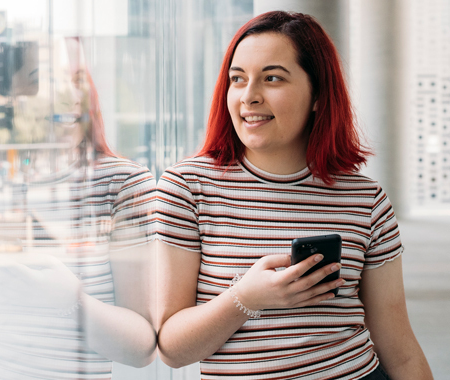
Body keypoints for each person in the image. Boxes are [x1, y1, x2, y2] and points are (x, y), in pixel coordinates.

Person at [156, 11, 433, 380]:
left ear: (318, 94)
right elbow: (172, 350)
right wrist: (246, 299)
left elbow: (401, 353)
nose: (249, 96)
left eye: (272, 78)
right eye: (237, 79)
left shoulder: (365, 201)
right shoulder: (187, 187)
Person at [0, 37, 157, 379]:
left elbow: (141, 347)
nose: (70, 96)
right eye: (46, 78)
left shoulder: (122, 184)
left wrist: (72, 303)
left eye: (77, 80)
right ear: (7, 96)